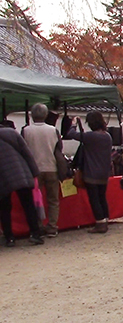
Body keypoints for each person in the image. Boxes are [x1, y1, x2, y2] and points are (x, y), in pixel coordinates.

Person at [66, 112, 113, 234]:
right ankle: (105, 219)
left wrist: (73, 124)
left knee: (94, 199)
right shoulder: (107, 136)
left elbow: (70, 134)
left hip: (91, 172)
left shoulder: (90, 136)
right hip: (104, 172)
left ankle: (100, 222)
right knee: (102, 197)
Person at [21, 103, 62, 237]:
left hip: (33, 169)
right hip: (52, 167)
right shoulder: (53, 130)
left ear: (32, 115)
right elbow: (59, 149)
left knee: (35, 200)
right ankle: (52, 227)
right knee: (53, 200)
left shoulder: (25, 130)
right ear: (46, 115)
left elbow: (23, 150)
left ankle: (37, 226)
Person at [0, 123, 44, 246]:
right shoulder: (12, 133)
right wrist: (35, 172)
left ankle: (9, 238)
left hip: (2, 176)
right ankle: (35, 233)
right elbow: (27, 153)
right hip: (20, 172)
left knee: (4, 208)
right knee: (28, 204)